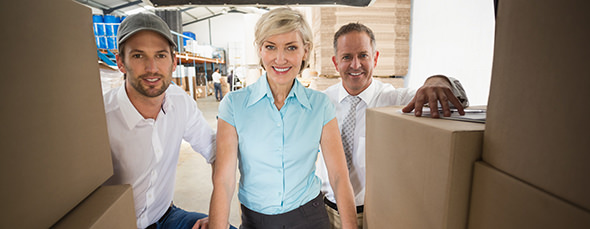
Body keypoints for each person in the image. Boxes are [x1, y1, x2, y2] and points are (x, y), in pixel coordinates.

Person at [208, 8, 358, 229]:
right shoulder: (234, 105)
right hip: (256, 221)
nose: (280, 59)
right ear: (260, 50)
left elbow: (339, 176)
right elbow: (224, 182)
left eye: (291, 47)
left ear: (305, 51)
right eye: (270, 47)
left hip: (310, 217)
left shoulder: (320, 105)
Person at [316, 22, 469, 229]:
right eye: (346, 57)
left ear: (375, 58)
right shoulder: (321, 103)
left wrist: (439, 81)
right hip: (326, 212)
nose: (355, 65)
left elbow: (455, 101)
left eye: (363, 55)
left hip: (376, 215)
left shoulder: (396, 101)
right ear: (336, 62)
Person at [102, 13, 230, 229]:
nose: (152, 67)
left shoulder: (180, 102)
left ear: (174, 62)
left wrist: (218, 219)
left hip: (165, 217)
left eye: (160, 55)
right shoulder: (102, 119)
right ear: (121, 63)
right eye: (138, 56)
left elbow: (215, 150)